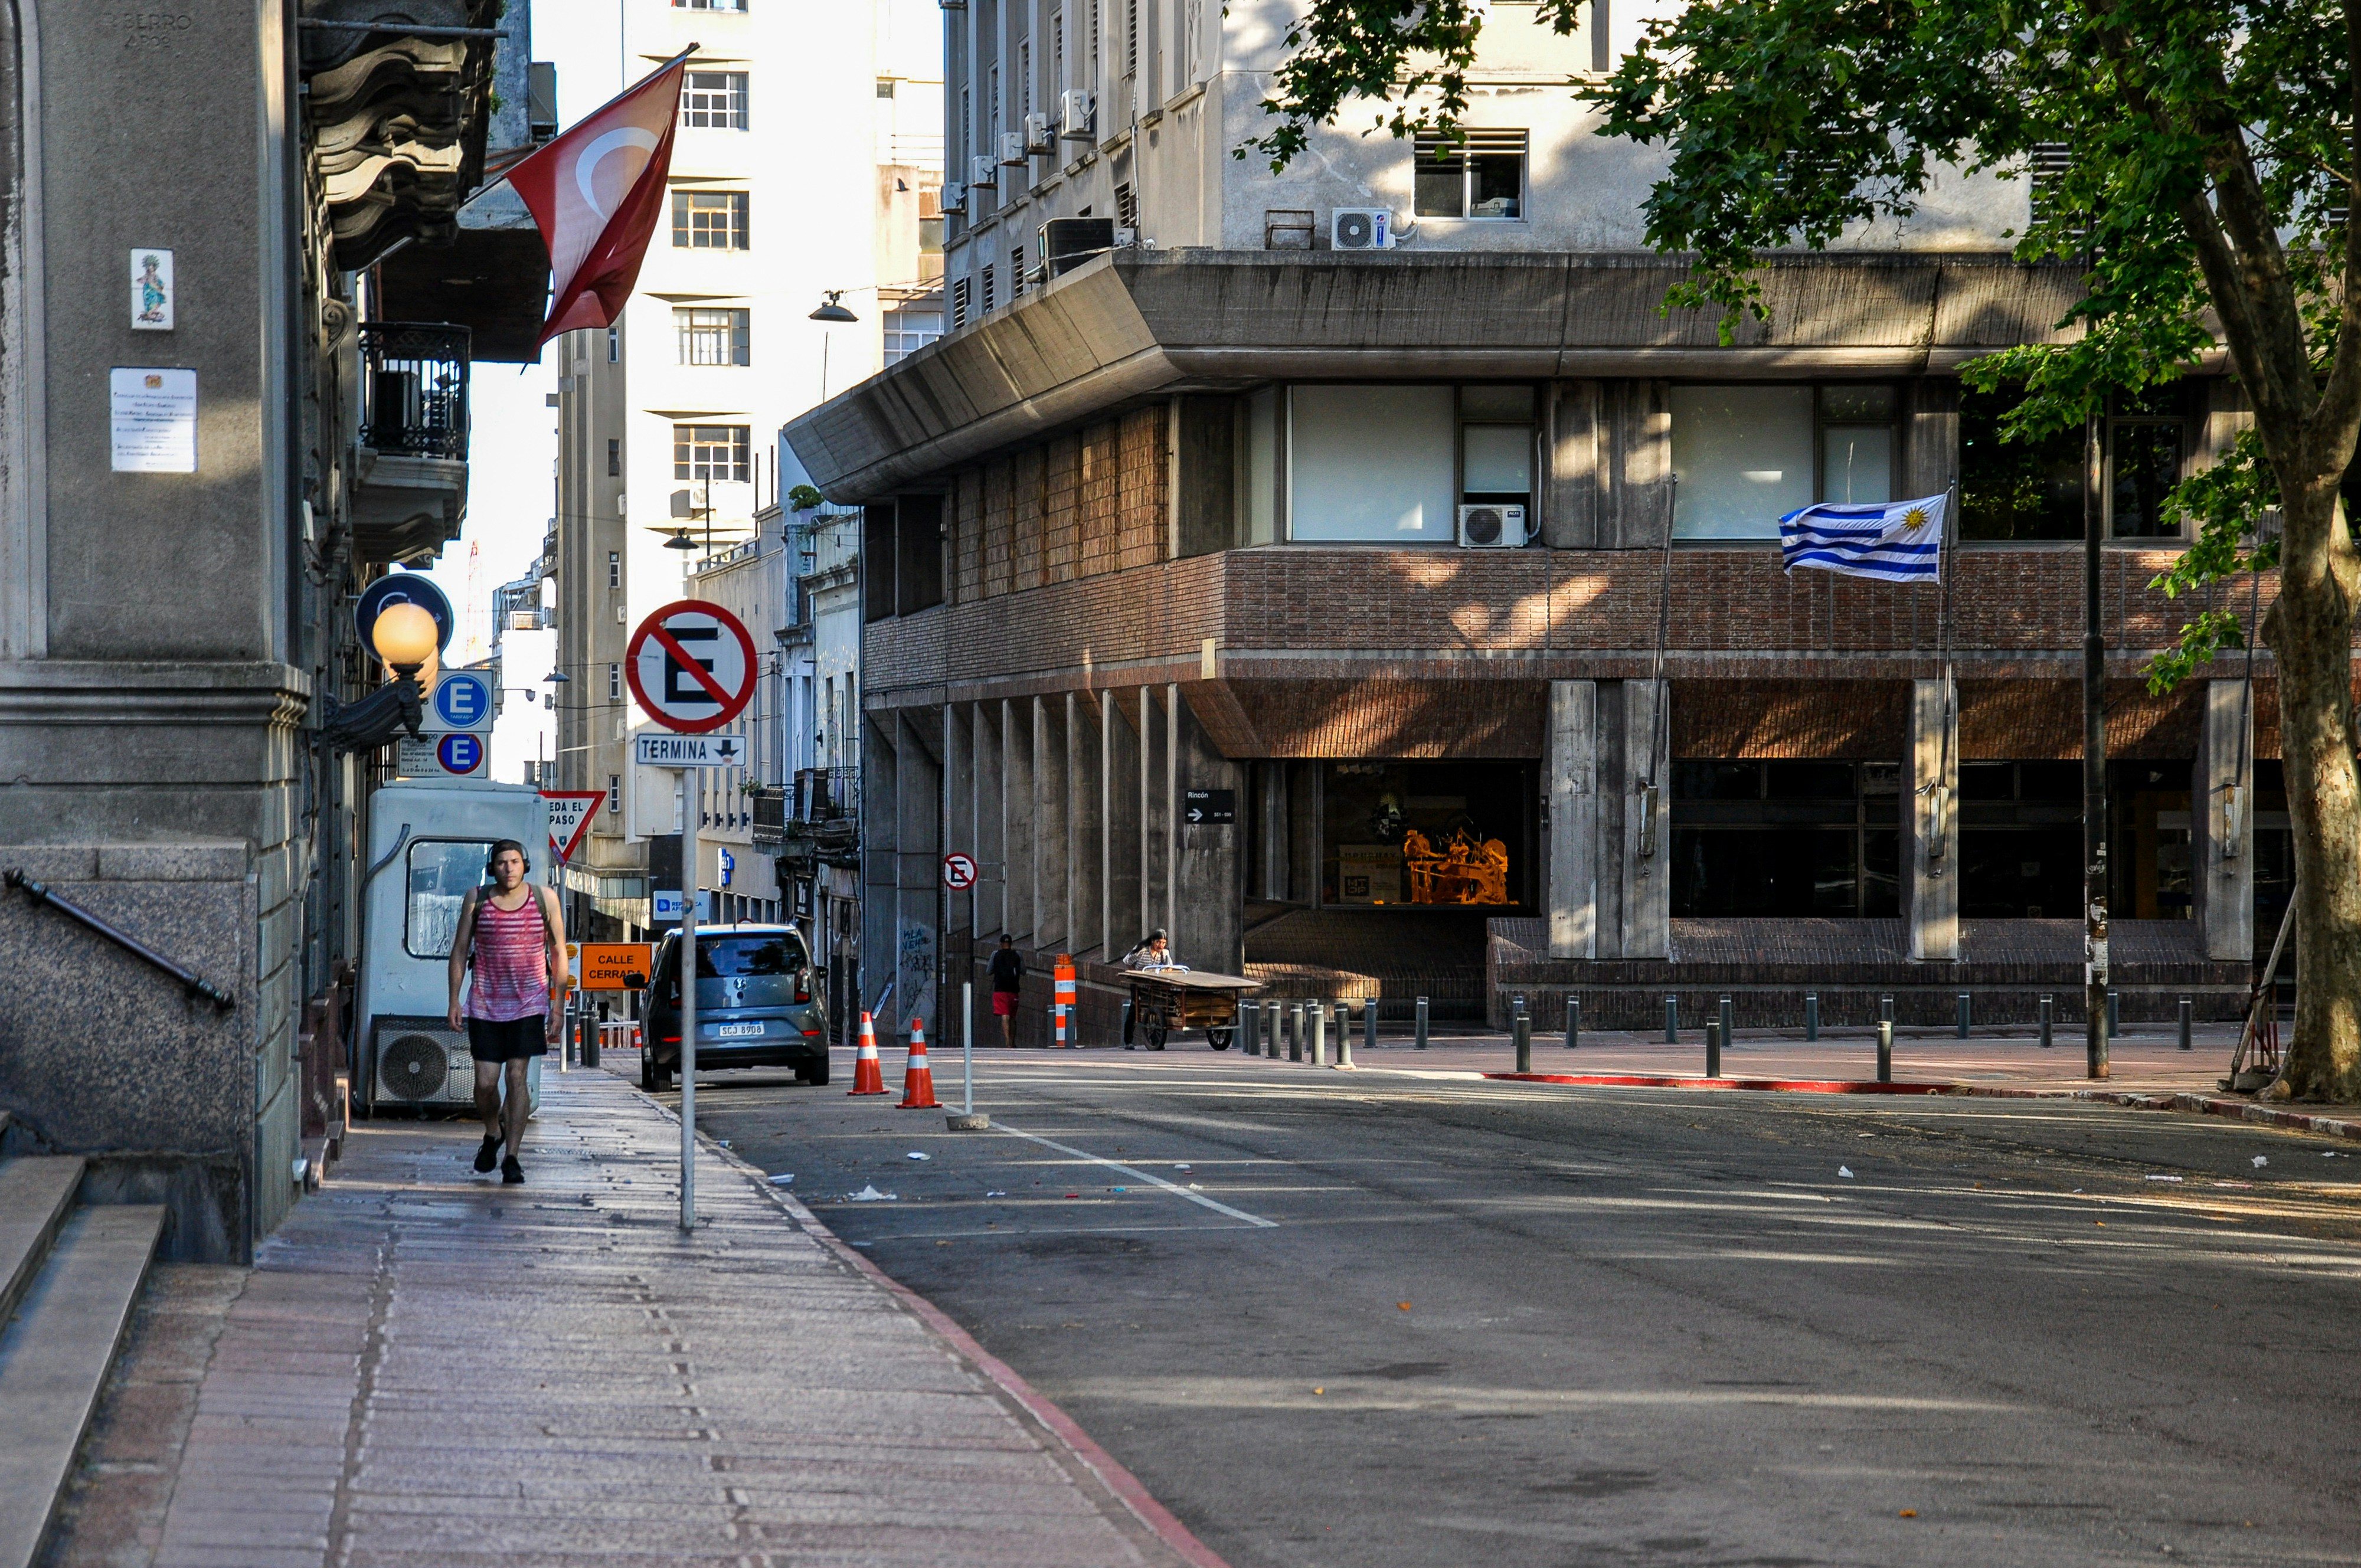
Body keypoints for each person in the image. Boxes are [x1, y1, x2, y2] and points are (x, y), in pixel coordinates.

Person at [446, 840, 567, 1184]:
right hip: (485, 1004)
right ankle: (492, 1132)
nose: (508, 868)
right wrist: (455, 999)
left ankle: (512, 1157)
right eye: (501, 862)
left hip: (529, 1003)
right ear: (492, 868)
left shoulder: (545, 899)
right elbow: (459, 951)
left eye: (514, 862)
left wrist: (557, 1005)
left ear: (524, 865)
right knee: (485, 1084)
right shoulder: (478, 899)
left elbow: (559, 951)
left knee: (517, 1077)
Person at [988, 933, 1025, 1046]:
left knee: (1005, 1015)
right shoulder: (1018, 955)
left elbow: (988, 971)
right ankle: (1013, 1042)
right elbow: (1024, 971)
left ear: (1000, 944)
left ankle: (1007, 1042)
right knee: (1013, 1016)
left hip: (1000, 990)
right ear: (1011, 944)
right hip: (1013, 990)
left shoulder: (995, 954)